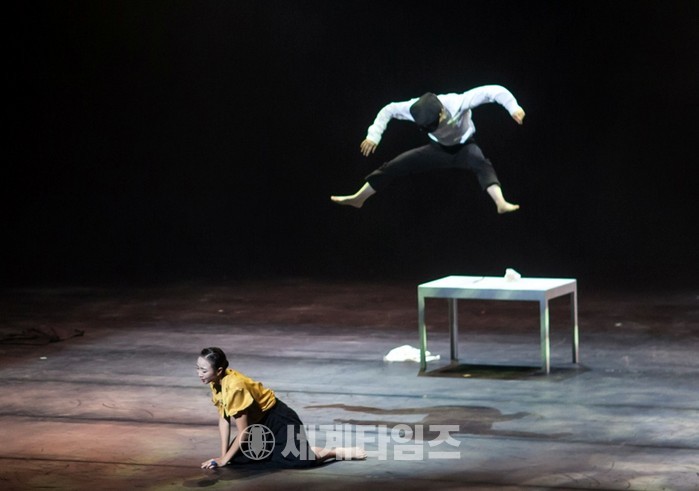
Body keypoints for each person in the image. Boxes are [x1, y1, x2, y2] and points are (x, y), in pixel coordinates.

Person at [330, 85, 525, 213]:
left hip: (465, 147)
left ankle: (500, 203)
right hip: (437, 150)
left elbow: (493, 91)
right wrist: (373, 135)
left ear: (441, 113)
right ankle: (359, 198)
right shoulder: (412, 107)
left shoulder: (457, 102)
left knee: (481, 163)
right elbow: (388, 110)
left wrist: (513, 107)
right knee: (395, 165)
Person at [196, 347, 367, 469]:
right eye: (198, 369)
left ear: (219, 370)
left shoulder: (234, 387)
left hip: (278, 419)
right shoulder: (215, 382)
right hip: (259, 424)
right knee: (238, 459)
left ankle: (334, 452)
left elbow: (244, 431)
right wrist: (223, 456)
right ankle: (292, 449)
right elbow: (224, 419)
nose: (199, 374)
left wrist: (224, 459)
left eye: (203, 370)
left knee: (300, 461)